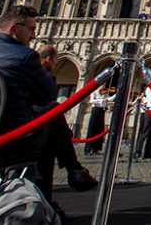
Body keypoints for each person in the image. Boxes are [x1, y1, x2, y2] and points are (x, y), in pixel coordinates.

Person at [0, 6, 96, 216]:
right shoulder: (24, 56)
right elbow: (46, 96)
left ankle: (68, 176)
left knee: (48, 122)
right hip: (7, 142)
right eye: (31, 29)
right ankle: (60, 185)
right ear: (15, 29)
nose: (34, 35)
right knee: (51, 116)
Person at [35, 44, 98, 198]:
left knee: (53, 118)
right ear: (48, 59)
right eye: (55, 61)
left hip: (4, 138)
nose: (55, 64)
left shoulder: (20, 72)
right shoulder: (44, 77)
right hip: (36, 136)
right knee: (53, 115)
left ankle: (73, 167)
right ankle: (73, 167)